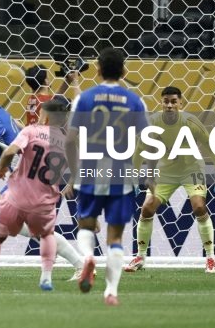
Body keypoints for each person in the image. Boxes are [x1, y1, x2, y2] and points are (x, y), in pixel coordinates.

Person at [0, 77, 83, 275]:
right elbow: (23, 130)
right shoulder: (1, 113)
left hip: (26, 174)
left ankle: (76, 262)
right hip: (31, 173)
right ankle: (64, 254)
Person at [63, 47, 148, 306]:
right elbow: (146, 141)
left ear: (97, 70)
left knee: (86, 225)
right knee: (115, 238)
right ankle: (111, 291)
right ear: (124, 70)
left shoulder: (85, 99)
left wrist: (73, 173)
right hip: (120, 174)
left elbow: (70, 140)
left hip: (90, 170)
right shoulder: (135, 102)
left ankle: (88, 256)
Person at [124, 86, 215, 274]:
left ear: (181, 103)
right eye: (166, 101)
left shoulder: (190, 122)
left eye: (173, 101)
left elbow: (211, 146)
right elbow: (139, 149)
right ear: (161, 103)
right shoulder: (152, 123)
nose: (169, 105)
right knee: (147, 208)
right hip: (165, 171)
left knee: (199, 207)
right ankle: (140, 257)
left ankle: (210, 258)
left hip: (192, 169)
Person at [0, 98, 70, 292]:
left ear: (46, 113)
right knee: (47, 236)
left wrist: (1, 167)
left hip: (17, 197)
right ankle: (46, 278)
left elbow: (10, 151)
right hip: (44, 202)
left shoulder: (31, 131)